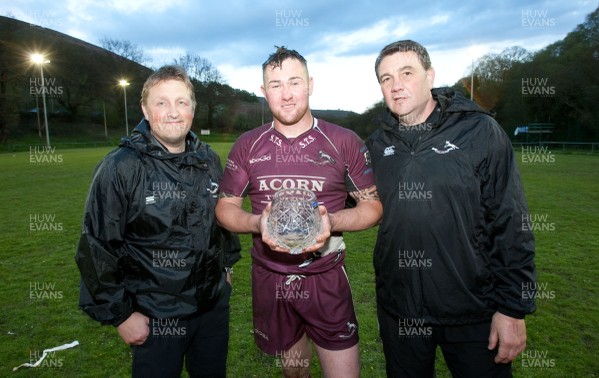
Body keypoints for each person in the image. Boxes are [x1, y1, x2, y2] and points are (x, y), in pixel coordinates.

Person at [365, 39, 538, 377]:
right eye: (386, 78)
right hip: (401, 310)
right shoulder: (376, 143)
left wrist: (513, 310)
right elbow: (349, 201)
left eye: (406, 73)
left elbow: (511, 222)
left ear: (430, 75)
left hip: (475, 311)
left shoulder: (480, 131)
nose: (396, 85)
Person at [215, 46, 382, 378]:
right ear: (263, 92)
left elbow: (372, 206)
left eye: (294, 82)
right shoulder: (247, 145)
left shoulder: (343, 141)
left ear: (311, 84)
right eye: (275, 85)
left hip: (326, 279)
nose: (286, 94)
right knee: (295, 373)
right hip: (271, 279)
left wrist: (332, 220)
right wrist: (255, 222)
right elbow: (225, 207)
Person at [75, 65, 240, 378]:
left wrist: (227, 268)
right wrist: (122, 315)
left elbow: (222, 219)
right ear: (145, 110)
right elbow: (96, 244)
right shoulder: (121, 167)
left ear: (192, 108)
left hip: (211, 309)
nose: (173, 112)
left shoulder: (208, 159)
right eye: (162, 102)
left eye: (181, 102)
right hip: (156, 317)